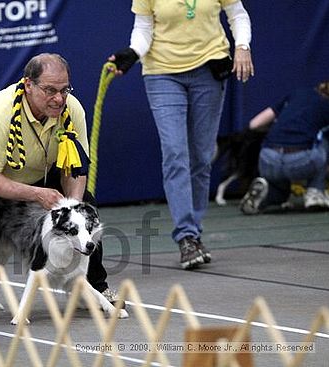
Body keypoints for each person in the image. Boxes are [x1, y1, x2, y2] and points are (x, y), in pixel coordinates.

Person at [0, 53, 121, 324]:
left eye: (64, 90)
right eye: (50, 90)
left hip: (34, 168)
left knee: (86, 207)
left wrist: (72, 209)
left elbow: (76, 169)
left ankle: (91, 287)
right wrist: (37, 194)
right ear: (28, 85)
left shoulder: (72, 110)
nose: (59, 99)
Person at [108, 0, 254, 269]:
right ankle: (186, 237)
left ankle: (194, 232)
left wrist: (242, 46)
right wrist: (133, 52)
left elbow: (238, 15)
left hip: (209, 71)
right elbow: (143, 28)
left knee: (201, 156)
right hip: (162, 74)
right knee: (175, 153)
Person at [239, 81, 329, 214]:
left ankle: (264, 197)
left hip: (267, 159)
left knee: (280, 190)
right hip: (301, 160)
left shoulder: (296, 94)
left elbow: (254, 124)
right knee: (324, 141)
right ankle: (315, 193)